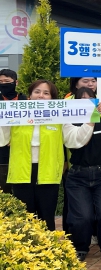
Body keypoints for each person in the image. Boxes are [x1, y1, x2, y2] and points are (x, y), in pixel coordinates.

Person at [0, 80, 94, 230]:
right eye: (37, 92)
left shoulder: (59, 117)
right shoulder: (16, 113)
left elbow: (73, 139)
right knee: (24, 219)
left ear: (52, 98)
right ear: (30, 96)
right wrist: (3, 118)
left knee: (47, 217)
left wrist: (90, 122)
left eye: (46, 93)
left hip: (48, 173)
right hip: (21, 172)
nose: (41, 96)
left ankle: (48, 245)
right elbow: (2, 139)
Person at [65, 87, 101, 261]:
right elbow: (76, 143)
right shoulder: (70, 121)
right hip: (78, 176)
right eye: (81, 99)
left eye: (90, 99)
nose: (86, 103)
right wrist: (89, 121)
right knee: (82, 216)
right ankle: (80, 246)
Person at [0, 68, 26, 194]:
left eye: (7, 81)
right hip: (2, 149)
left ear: (16, 82)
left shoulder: (25, 101)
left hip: (21, 148)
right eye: (0, 82)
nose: (3, 84)